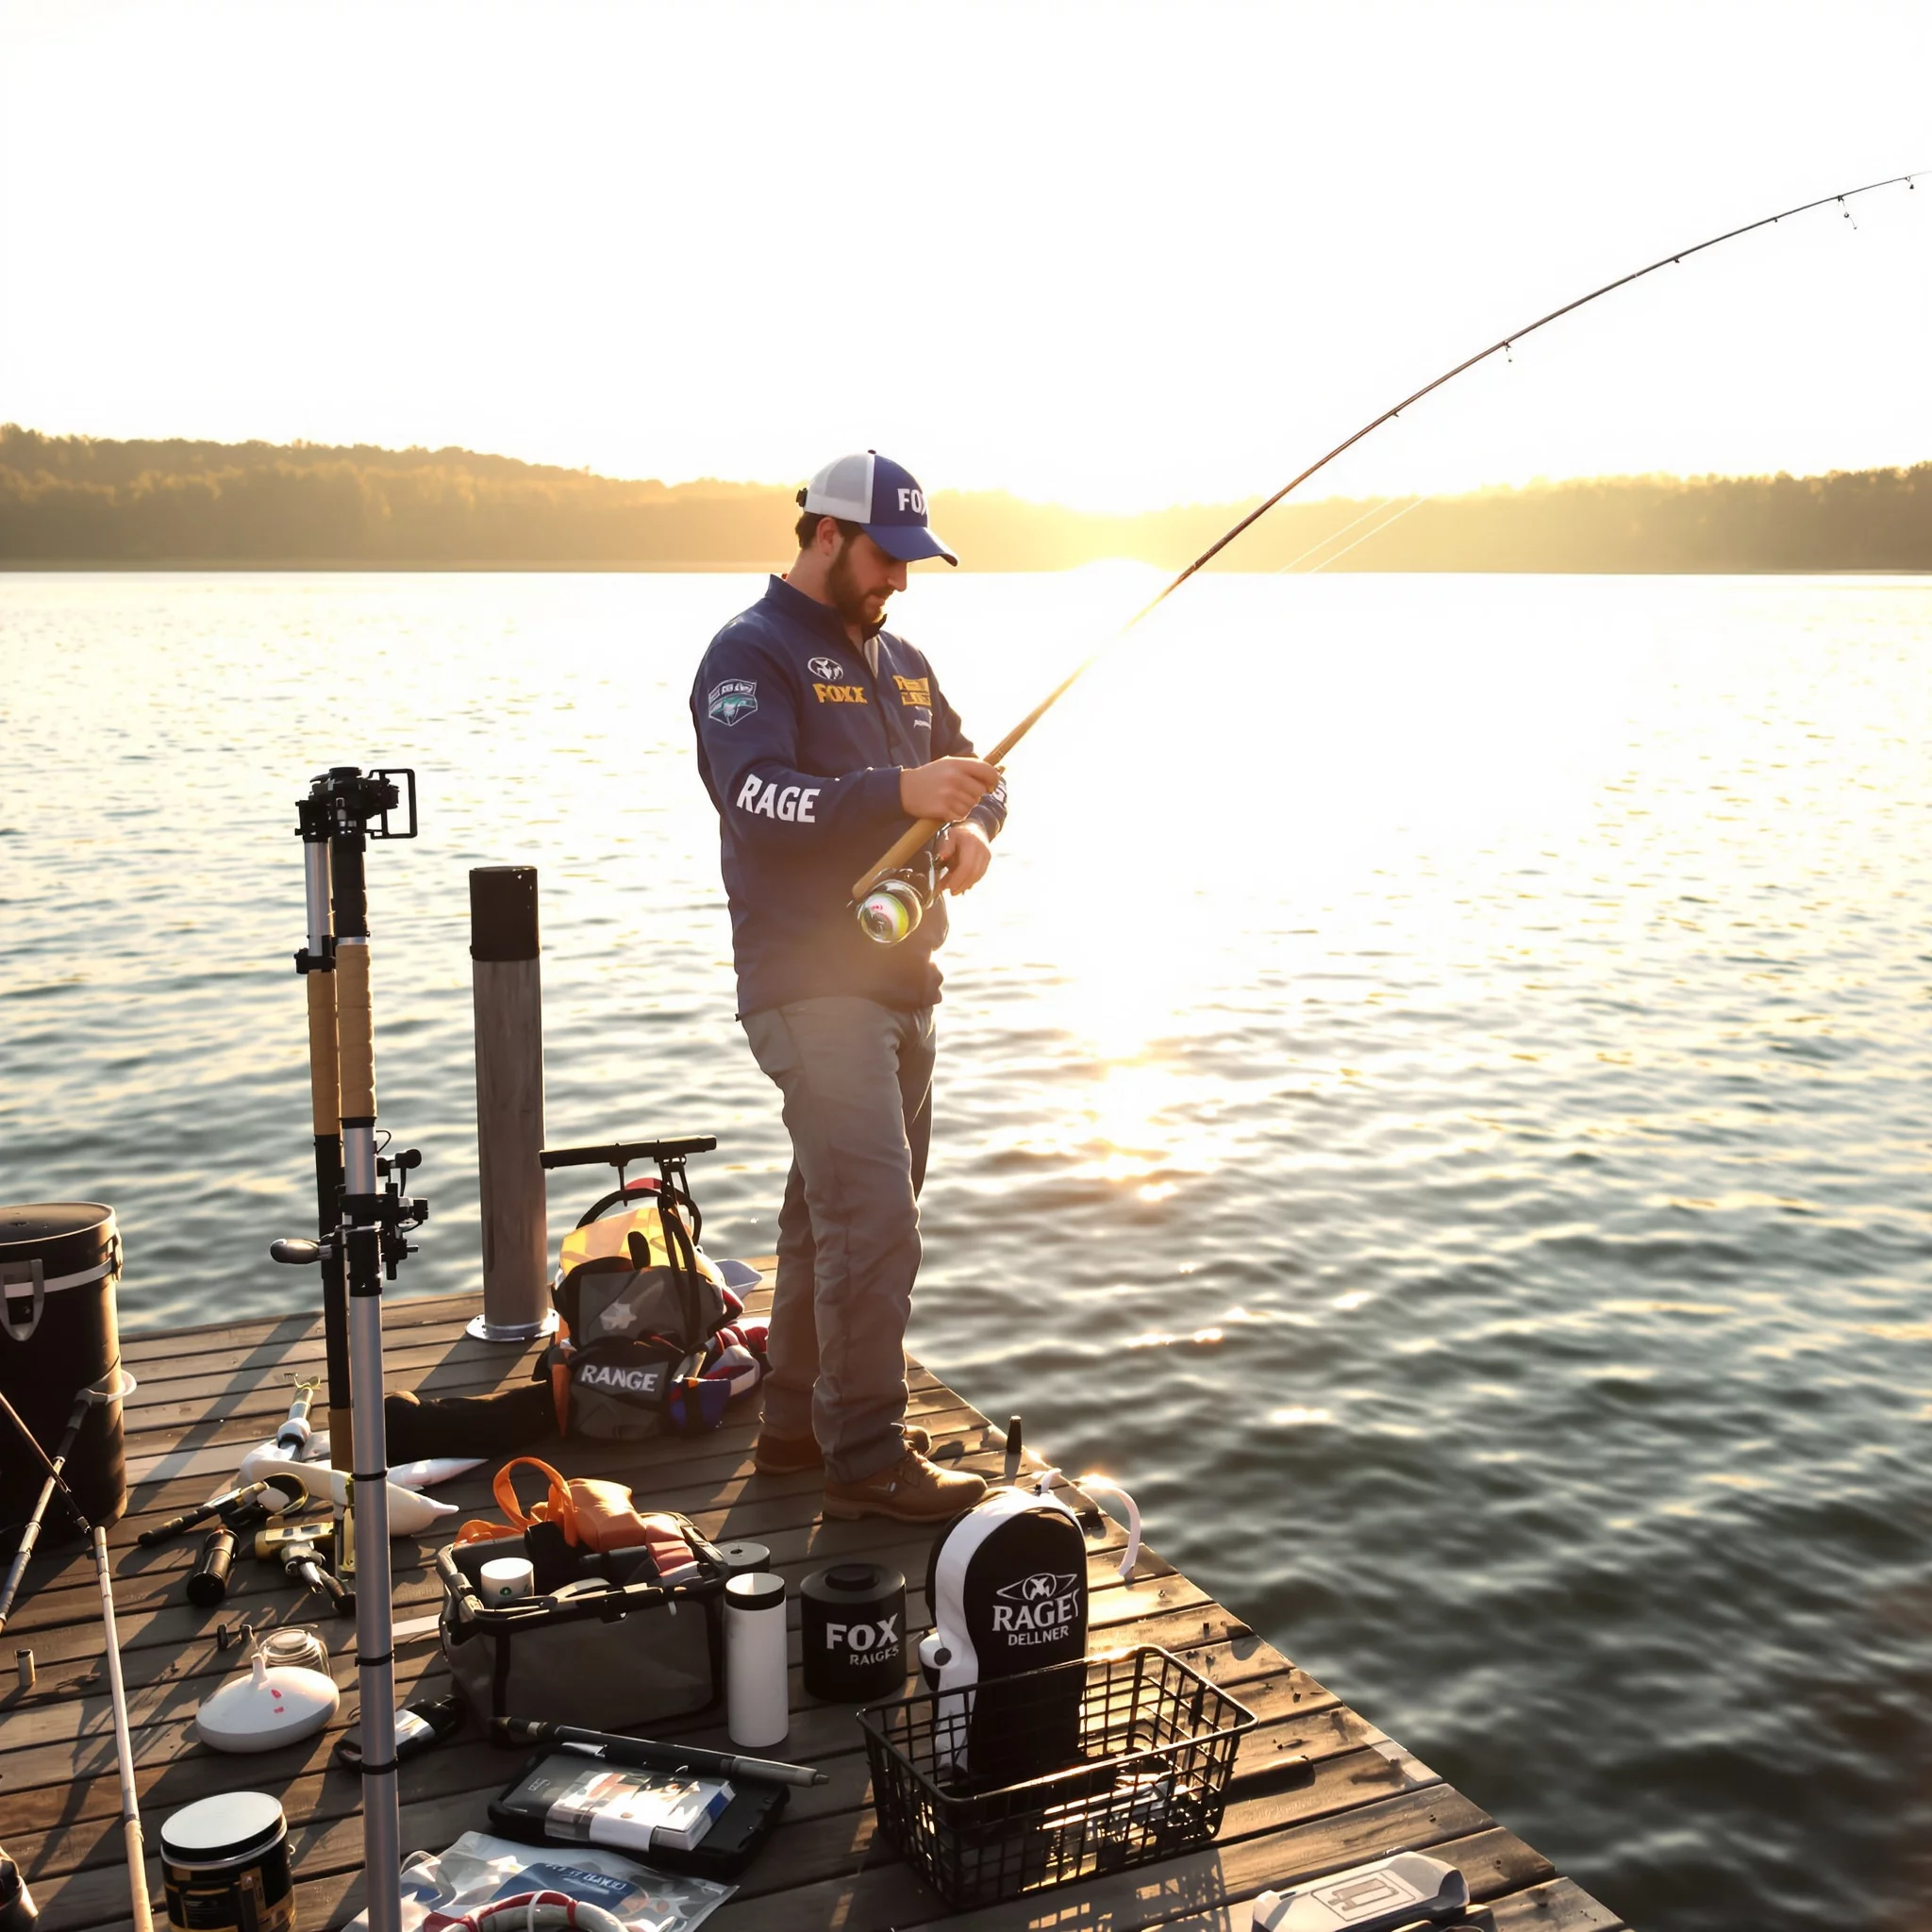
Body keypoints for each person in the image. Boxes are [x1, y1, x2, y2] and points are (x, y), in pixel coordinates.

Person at [690, 451, 1003, 1523]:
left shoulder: (905, 662)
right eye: (886, 556)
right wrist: (895, 790)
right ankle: (864, 1454)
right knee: (873, 1218)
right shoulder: (750, 652)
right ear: (824, 535)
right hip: (806, 983)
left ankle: (789, 1427)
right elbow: (752, 793)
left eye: (914, 561)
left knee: (833, 1210)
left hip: (907, 979)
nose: (901, 581)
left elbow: (979, 768)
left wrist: (969, 827)